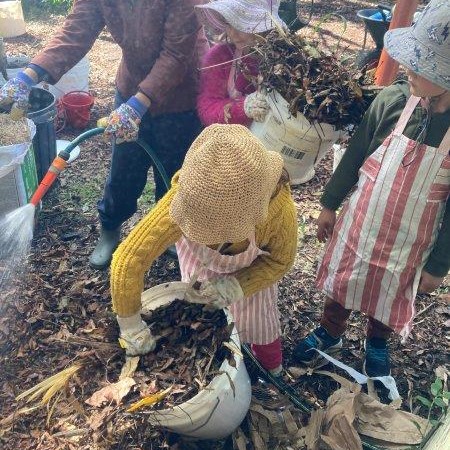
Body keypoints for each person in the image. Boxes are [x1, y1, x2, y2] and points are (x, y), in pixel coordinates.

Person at [293, 0, 450, 378]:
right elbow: (355, 155)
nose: (408, 67)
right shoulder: (393, 101)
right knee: (344, 279)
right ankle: (331, 330)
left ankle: (377, 341)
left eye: (422, 64)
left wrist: (438, 266)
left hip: (410, 243)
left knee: (390, 291)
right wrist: (330, 203)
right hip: (362, 225)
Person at [0, 0, 208, 269]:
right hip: (132, 83)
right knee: (123, 168)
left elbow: (176, 55)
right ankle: (110, 228)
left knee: (174, 172)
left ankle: (171, 231)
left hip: (182, 94)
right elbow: (76, 30)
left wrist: (138, 104)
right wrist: (28, 76)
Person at [110, 124, 297, 375]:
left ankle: (272, 372)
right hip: (199, 270)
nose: (208, 237)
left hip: (252, 279)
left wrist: (235, 286)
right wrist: (130, 323)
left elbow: (280, 261)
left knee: (261, 326)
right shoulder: (191, 194)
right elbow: (129, 259)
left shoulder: (278, 213)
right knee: (204, 326)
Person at [196, 0, 285, 126]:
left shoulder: (287, 57)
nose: (232, 33)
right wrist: (243, 108)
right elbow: (207, 108)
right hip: (234, 136)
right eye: (228, 23)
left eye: (240, 25)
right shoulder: (221, 57)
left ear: (262, 23)